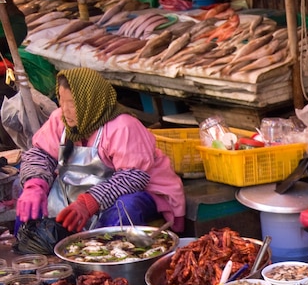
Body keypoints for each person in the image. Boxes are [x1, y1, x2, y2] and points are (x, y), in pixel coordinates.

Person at [15, 68, 185, 233]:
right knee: (31, 200)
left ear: (90, 101)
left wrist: (89, 201)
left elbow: (133, 177)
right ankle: (25, 255)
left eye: (72, 103)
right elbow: (41, 153)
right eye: (61, 100)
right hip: (78, 191)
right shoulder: (60, 119)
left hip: (137, 192)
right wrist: (34, 185)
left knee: (125, 208)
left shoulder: (123, 126)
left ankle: (110, 257)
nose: (65, 110)